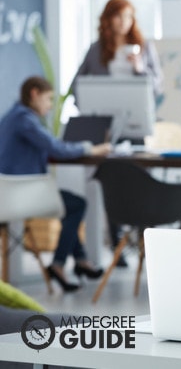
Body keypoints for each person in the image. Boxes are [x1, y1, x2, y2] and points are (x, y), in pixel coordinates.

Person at [71, 0, 163, 266]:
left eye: (129, 16)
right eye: (119, 16)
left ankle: (143, 242)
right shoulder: (96, 49)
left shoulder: (144, 48)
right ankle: (117, 243)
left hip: (135, 125)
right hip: (104, 129)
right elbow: (78, 86)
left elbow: (157, 86)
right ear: (108, 18)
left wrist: (139, 68)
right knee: (111, 182)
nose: (124, 22)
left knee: (140, 181)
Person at [0, 77, 111, 292]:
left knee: (67, 207)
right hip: (20, 196)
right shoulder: (25, 120)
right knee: (76, 204)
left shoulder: (10, 118)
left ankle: (79, 260)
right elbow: (56, 148)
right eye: (48, 98)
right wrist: (90, 149)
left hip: (7, 195)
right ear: (34, 94)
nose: (51, 105)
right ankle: (60, 264)